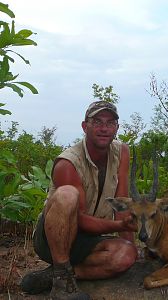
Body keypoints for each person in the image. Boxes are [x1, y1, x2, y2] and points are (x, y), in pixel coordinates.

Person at [21, 101, 138, 300]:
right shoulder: (67, 162)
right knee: (66, 194)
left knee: (125, 256)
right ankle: (61, 283)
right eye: (97, 122)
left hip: (89, 239)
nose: (104, 128)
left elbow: (121, 201)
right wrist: (118, 224)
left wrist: (130, 243)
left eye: (110, 123)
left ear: (117, 128)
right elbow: (81, 220)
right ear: (85, 127)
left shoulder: (122, 152)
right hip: (54, 238)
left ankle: (58, 275)